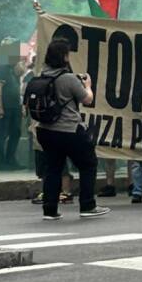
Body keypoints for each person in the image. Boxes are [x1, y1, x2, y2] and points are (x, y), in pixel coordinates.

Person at [31, 38, 110, 220]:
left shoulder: (43, 76)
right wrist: (88, 86)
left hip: (45, 130)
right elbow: (87, 99)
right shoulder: (68, 79)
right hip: (69, 129)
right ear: (64, 57)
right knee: (88, 163)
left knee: (53, 169)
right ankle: (88, 205)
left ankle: (50, 210)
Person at [0, 42, 25, 169]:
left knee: (15, 133)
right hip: (4, 107)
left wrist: (21, 106)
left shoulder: (13, 70)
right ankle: (0, 162)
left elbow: (19, 86)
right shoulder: (2, 69)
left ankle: (11, 159)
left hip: (14, 107)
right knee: (1, 134)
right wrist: (0, 106)